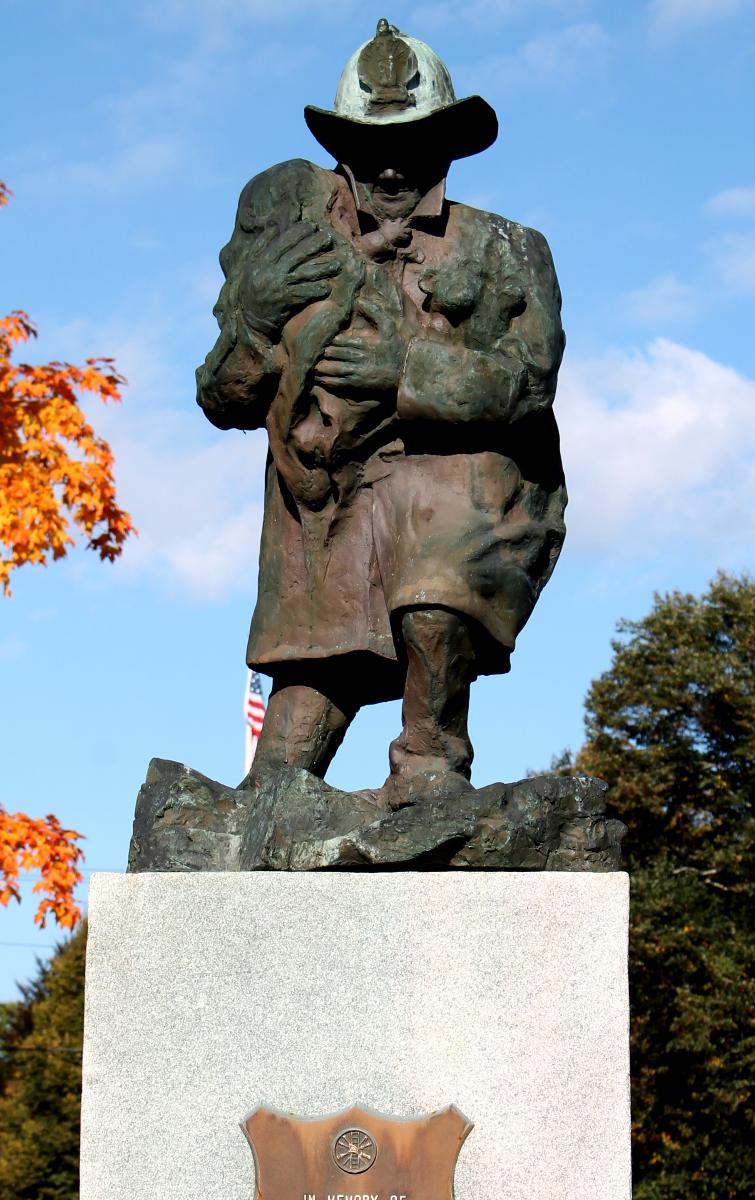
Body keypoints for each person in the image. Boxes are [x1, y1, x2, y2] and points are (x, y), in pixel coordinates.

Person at [197, 19, 567, 807]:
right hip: (334, 511)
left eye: (415, 138)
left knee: (426, 540)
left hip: (469, 496)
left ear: (449, 140)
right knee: (282, 766)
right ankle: (274, 798)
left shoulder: (506, 246)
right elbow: (221, 399)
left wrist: (407, 370)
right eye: (372, 143)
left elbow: (527, 382)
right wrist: (256, 321)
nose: (392, 165)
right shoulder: (297, 238)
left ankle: (430, 761)